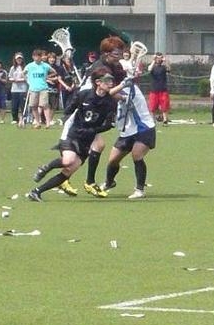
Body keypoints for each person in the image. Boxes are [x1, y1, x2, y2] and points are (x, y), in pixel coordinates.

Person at [27, 68, 126, 202]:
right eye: (107, 81)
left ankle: (36, 192)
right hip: (73, 134)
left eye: (111, 81)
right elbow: (69, 109)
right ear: (97, 82)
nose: (111, 83)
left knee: (69, 171)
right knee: (68, 160)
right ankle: (46, 167)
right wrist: (75, 121)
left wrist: (94, 130)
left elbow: (109, 124)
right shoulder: (84, 95)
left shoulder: (110, 102)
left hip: (87, 139)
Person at [77, 36, 127, 197]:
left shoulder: (113, 66)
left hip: (93, 111)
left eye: (120, 52)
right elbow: (105, 93)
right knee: (85, 148)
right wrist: (120, 97)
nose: (119, 55)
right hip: (83, 110)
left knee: (92, 147)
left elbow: (121, 79)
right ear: (106, 53)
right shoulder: (100, 68)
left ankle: (86, 181)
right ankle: (86, 181)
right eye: (116, 53)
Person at [101, 75, 157, 199]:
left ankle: (139, 190)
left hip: (143, 128)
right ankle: (109, 183)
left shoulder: (131, 89)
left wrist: (123, 84)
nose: (109, 83)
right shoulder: (122, 87)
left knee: (137, 155)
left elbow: (110, 94)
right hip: (128, 130)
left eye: (111, 81)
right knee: (113, 160)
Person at [23, 48, 56, 129]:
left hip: (43, 88)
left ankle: (48, 123)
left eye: (39, 56)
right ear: (33, 57)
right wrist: (28, 80)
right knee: (33, 106)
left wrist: (47, 77)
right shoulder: (30, 66)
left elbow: (54, 72)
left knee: (45, 105)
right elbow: (23, 73)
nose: (37, 58)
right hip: (33, 88)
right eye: (35, 56)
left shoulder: (45, 65)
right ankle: (38, 122)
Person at [147, 51, 170, 124]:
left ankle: (165, 119)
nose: (158, 59)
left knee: (164, 105)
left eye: (160, 58)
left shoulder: (163, 67)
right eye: (157, 58)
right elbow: (149, 69)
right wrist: (153, 60)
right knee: (153, 106)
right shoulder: (152, 66)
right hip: (154, 89)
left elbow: (169, 69)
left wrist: (165, 61)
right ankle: (153, 120)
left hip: (163, 89)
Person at [8, 52, 27, 125]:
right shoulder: (13, 68)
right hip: (14, 89)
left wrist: (20, 80)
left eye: (20, 59)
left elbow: (27, 78)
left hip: (23, 89)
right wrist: (13, 79)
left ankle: (23, 118)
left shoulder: (25, 67)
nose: (19, 60)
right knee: (14, 105)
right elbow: (10, 77)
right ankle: (15, 118)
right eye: (17, 59)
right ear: (15, 60)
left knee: (23, 105)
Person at [46, 51, 61, 126]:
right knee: (46, 105)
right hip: (46, 88)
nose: (52, 59)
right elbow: (43, 77)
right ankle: (46, 119)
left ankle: (50, 119)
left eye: (53, 58)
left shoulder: (58, 67)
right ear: (48, 59)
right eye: (50, 58)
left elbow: (58, 77)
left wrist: (52, 79)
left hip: (55, 88)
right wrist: (48, 79)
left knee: (54, 105)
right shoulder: (45, 66)